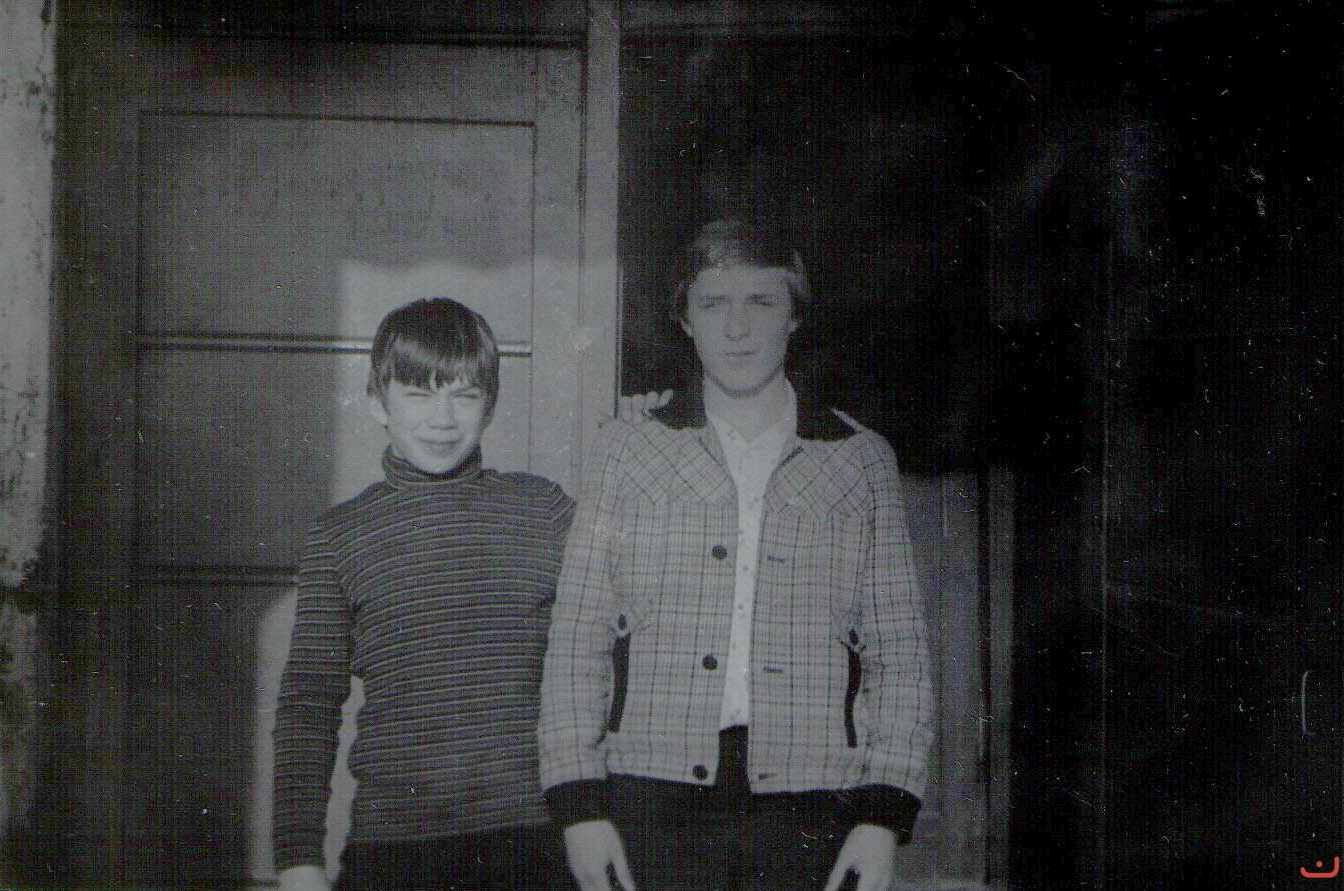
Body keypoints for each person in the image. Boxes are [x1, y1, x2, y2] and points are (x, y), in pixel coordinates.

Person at [538, 217, 935, 891]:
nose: (737, 327)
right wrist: (579, 805)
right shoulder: (627, 450)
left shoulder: (859, 461)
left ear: (795, 316)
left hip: (813, 804)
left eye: (761, 301)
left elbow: (899, 650)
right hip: (651, 800)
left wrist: (882, 815)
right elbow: (579, 634)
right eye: (714, 303)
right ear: (686, 320)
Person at [273, 297, 588, 891]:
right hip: (393, 850)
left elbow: (614, 640)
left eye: (464, 395)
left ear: (490, 404)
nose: (442, 419)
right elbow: (308, 705)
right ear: (377, 401)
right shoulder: (340, 536)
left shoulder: (543, 512)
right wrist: (297, 860)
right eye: (419, 394)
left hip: (533, 841)